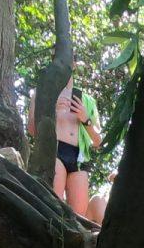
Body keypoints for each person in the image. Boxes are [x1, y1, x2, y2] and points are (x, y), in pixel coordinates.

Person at [27, 72, 102, 218]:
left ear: (74, 64)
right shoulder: (42, 91)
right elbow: (31, 129)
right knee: (52, 207)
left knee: (79, 218)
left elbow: (99, 142)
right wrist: (49, 106)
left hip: (79, 158)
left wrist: (85, 119)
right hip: (54, 150)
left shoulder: (87, 100)